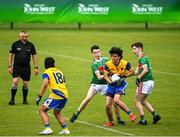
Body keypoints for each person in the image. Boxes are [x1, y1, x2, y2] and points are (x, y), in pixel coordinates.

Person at [70, 45, 125, 126]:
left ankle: (119, 120)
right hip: (96, 84)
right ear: (92, 54)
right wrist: (108, 74)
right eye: (95, 53)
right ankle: (77, 114)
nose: (97, 54)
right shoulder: (94, 64)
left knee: (113, 103)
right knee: (88, 98)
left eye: (98, 52)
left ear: (100, 52)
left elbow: (115, 64)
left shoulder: (106, 59)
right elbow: (99, 77)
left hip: (106, 85)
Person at [36, 57, 70, 135]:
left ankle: (48, 129)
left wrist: (40, 96)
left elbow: (45, 84)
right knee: (56, 112)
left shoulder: (47, 72)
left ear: (45, 65)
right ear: (54, 64)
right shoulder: (59, 71)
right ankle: (65, 129)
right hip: (65, 95)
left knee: (42, 110)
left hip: (56, 95)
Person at [103, 47, 136, 126]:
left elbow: (132, 72)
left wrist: (124, 76)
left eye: (115, 56)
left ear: (119, 57)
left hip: (121, 84)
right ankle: (111, 122)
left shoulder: (125, 63)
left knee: (116, 100)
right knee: (107, 105)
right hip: (111, 85)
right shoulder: (107, 64)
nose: (113, 58)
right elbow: (105, 76)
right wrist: (110, 82)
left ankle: (131, 114)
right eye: (112, 56)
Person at [131, 42, 161, 125]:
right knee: (143, 100)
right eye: (133, 49)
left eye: (134, 49)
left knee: (136, 101)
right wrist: (126, 74)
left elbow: (145, 70)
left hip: (145, 82)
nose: (133, 51)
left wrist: (138, 78)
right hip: (150, 82)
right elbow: (136, 72)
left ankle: (143, 120)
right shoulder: (142, 58)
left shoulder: (142, 58)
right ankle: (155, 115)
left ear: (140, 49)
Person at [8, 30, 39, 105]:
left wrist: (36, 67)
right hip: (17, 67)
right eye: (23, 36)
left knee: (25, 84)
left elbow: (34, 56)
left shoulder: (31, 45)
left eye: (26, 36)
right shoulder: (15, 44)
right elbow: (11, 55)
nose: (24, 38)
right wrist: (9, 66)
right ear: (19, 36)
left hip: (26, 67)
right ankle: (12, 99)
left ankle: (24, 100)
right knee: (15, 82)